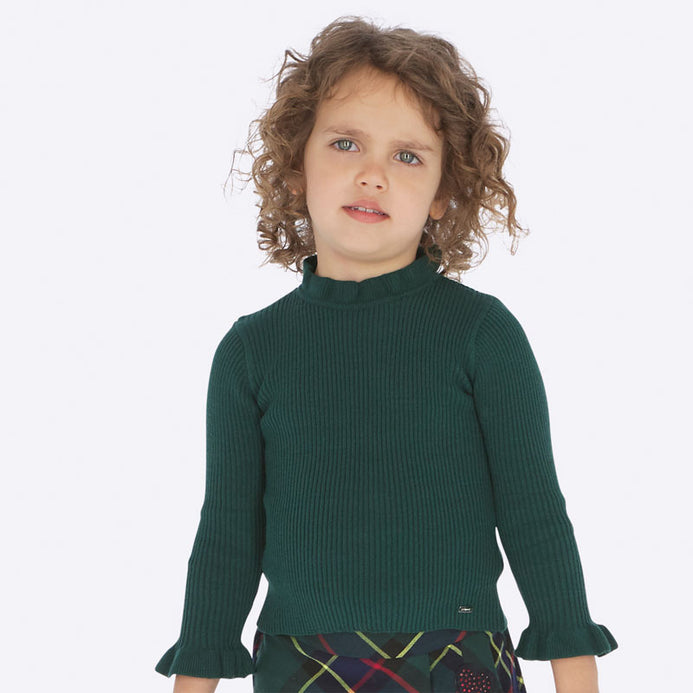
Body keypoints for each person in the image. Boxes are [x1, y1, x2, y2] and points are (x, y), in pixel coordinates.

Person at [154, 16, 618, 693]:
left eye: (408, 156)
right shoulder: (250, 352)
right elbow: (227, 536)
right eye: (345, 143)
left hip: (458, 661)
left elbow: (534, 516)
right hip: (299, 667)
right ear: (295, 169)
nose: (371, 175)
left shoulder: (482, 333)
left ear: (445, 193)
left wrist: (577, 680)